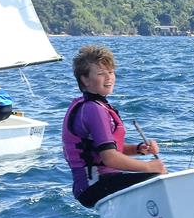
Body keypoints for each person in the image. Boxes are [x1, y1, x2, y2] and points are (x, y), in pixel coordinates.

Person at [62, 44, 167, 208]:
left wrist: (138, 149)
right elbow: (109, 158)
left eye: (110, 72)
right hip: (94, 185)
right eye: (101, 74)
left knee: (158, 177)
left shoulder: (93, 105)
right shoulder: (93, 109)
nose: (109, 78)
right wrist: (148, 167)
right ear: (85, 79)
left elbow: (107, 149)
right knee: (159, 179)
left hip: (103, 183)